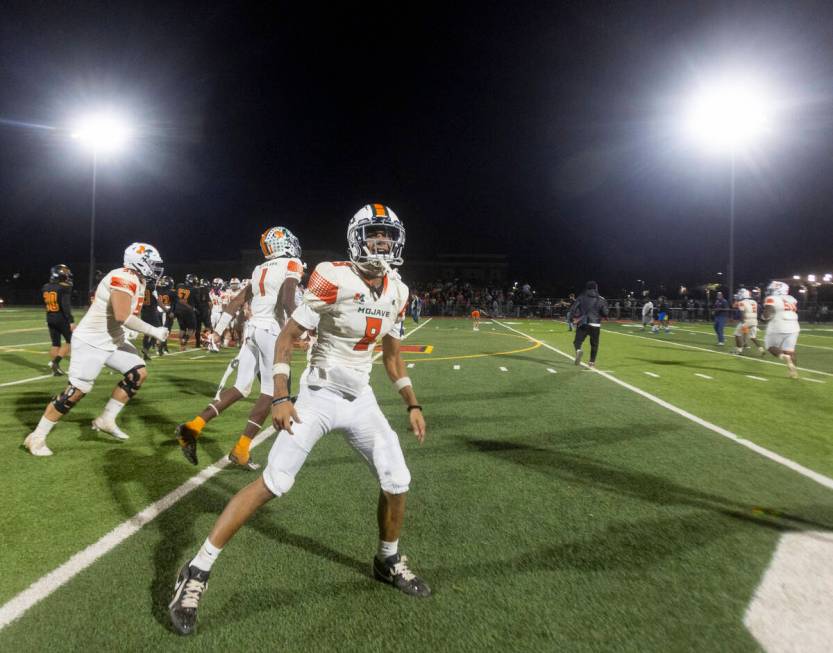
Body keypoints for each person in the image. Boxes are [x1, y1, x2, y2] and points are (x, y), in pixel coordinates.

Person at [168, 204, 430, 636]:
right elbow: (288, 338)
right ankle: (195, 572)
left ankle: (387, 558)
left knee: (397, 479)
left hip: (360, 398)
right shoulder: (333, 275)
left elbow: (393, 357)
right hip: (319, 395)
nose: (381, 242)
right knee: (274, 483)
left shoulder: (399, 291)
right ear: (356, 238)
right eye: (373, 234)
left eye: (387, 235)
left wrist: (412, 404)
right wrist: (282, 397)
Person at [23, 244, 168, 456]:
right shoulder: (124, 277)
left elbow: (122, 317)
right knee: (76, 391)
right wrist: (154, 331)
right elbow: (122, 316)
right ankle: (36, 436)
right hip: (92, 342)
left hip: (113, 341)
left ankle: (106, 419)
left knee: (138, 373)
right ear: (138, 261)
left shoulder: (138, 279)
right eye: (152, 264)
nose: (155, 269)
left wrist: (129, 333)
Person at [175, 227, 303, 468]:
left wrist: (217, 331)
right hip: (271, 332)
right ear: (285, 243)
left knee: (241, 387)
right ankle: (241, 449)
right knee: (270, 392)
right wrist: (303, 328)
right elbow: (287, 300)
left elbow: (237, 301)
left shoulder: (259, 269)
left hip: (252, 330)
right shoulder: (292, 263)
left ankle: (193, 427)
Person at [762, 281, 800, 378]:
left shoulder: (772, 298)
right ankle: (793, 373)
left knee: (770, 346)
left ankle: (784, 357)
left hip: (778, 324)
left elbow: (767, 314)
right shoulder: (792, 299)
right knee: (790, 351)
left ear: (777, 290)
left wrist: (763, 318)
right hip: (794, 326)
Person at [42, 264, 75, 376]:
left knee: (55, 344)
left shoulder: (45, 287)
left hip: (50, 317)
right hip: (61, 317)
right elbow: (66, 306)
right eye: (64, 272)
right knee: (71, 341)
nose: (67, 274)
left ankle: (55, 370)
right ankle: (55, 363)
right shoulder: (64, 287)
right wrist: (71, 321)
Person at [568, 281, 609, 368]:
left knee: (577, 341)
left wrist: (572, 319)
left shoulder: (581, 297)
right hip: (595, 324)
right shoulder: (601, 299)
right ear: (596, 288)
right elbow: (605, 312)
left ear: (587, 288)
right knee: (594, 344)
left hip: (583, 323)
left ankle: (578, 350)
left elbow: (573, 309)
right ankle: (592, 362)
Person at [733, 288, 764, 356]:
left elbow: (742, 313)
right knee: (753, 337)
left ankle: (739, 351)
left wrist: (743, 322)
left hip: (746, 320)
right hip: (754, 320)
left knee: (737, 334)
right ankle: (761, 349)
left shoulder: (741, 302)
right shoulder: (754, 302)